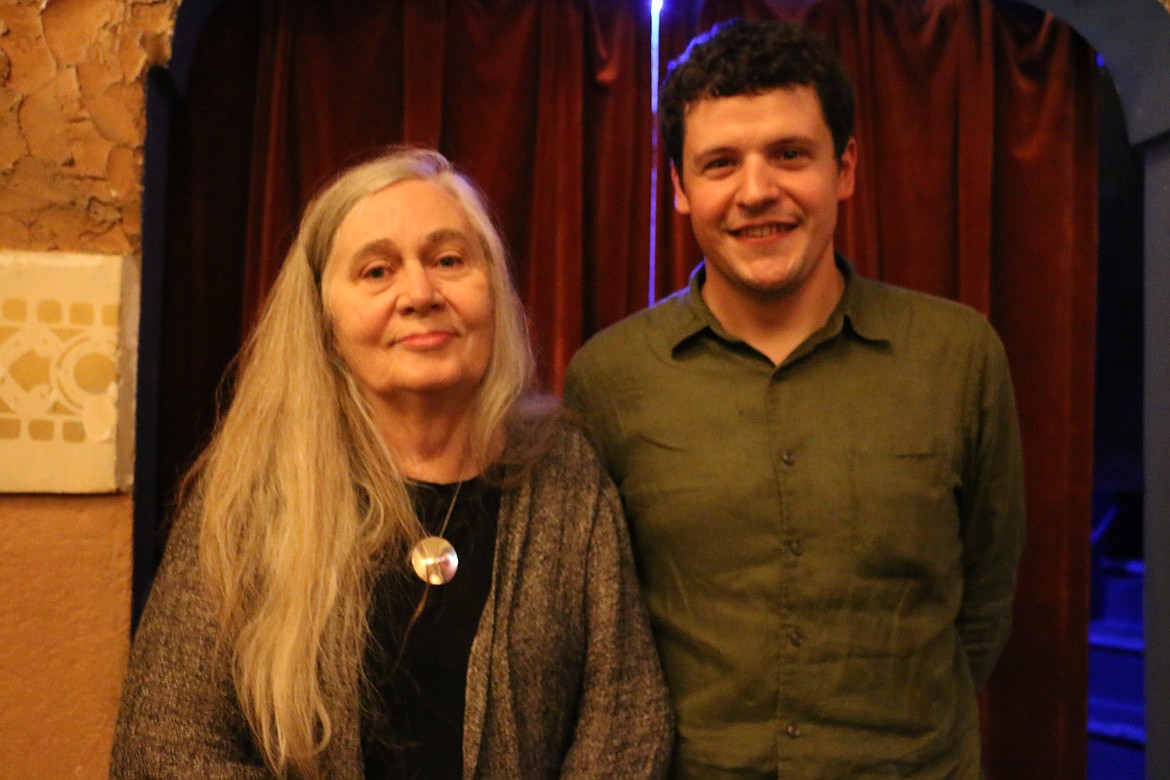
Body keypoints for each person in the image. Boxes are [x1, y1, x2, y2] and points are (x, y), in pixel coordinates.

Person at [111, 147, 673, 779]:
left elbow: (626, 721)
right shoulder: (251, 491)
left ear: (493, 286)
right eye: (377, 271)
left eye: (449, 260)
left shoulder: (566, 471)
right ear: (325, 320)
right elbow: (161, 746)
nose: (420, 293)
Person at [563, 18, 1025, 779]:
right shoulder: (609, 379)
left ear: (843, 169)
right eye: (720, 163)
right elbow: (598, 624)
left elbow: (986, 594)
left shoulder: (959, 356)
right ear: (679, 189)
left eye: (789, 154)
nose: (757, 192)